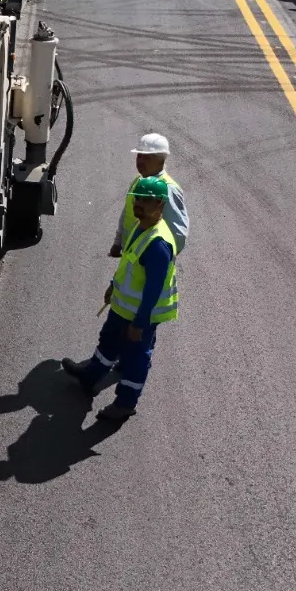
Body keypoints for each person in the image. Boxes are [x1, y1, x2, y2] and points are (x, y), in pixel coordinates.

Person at [63, 174, 178, 421]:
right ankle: (90, 377)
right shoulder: (140, 227)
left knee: (136, 360)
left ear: (160, 205)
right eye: (137, 197)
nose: (139, 203)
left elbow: (153, 290)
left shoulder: (158, 244)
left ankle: (125, 404)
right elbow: (129, 264)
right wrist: (112, 286)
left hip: (138, 316)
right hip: (122, 308)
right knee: (108, 341)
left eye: (146, 200)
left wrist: (139, 324)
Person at [112, 132, 187, 257]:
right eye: (139, 156)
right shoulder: (139, 181)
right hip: (131, 253)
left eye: (146, 157)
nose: (140, 161)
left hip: (149, 260)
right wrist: (118, 242)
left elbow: (178, 234)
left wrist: (160, 258)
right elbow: (127, 212)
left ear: (160, 161)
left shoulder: (167, 188)